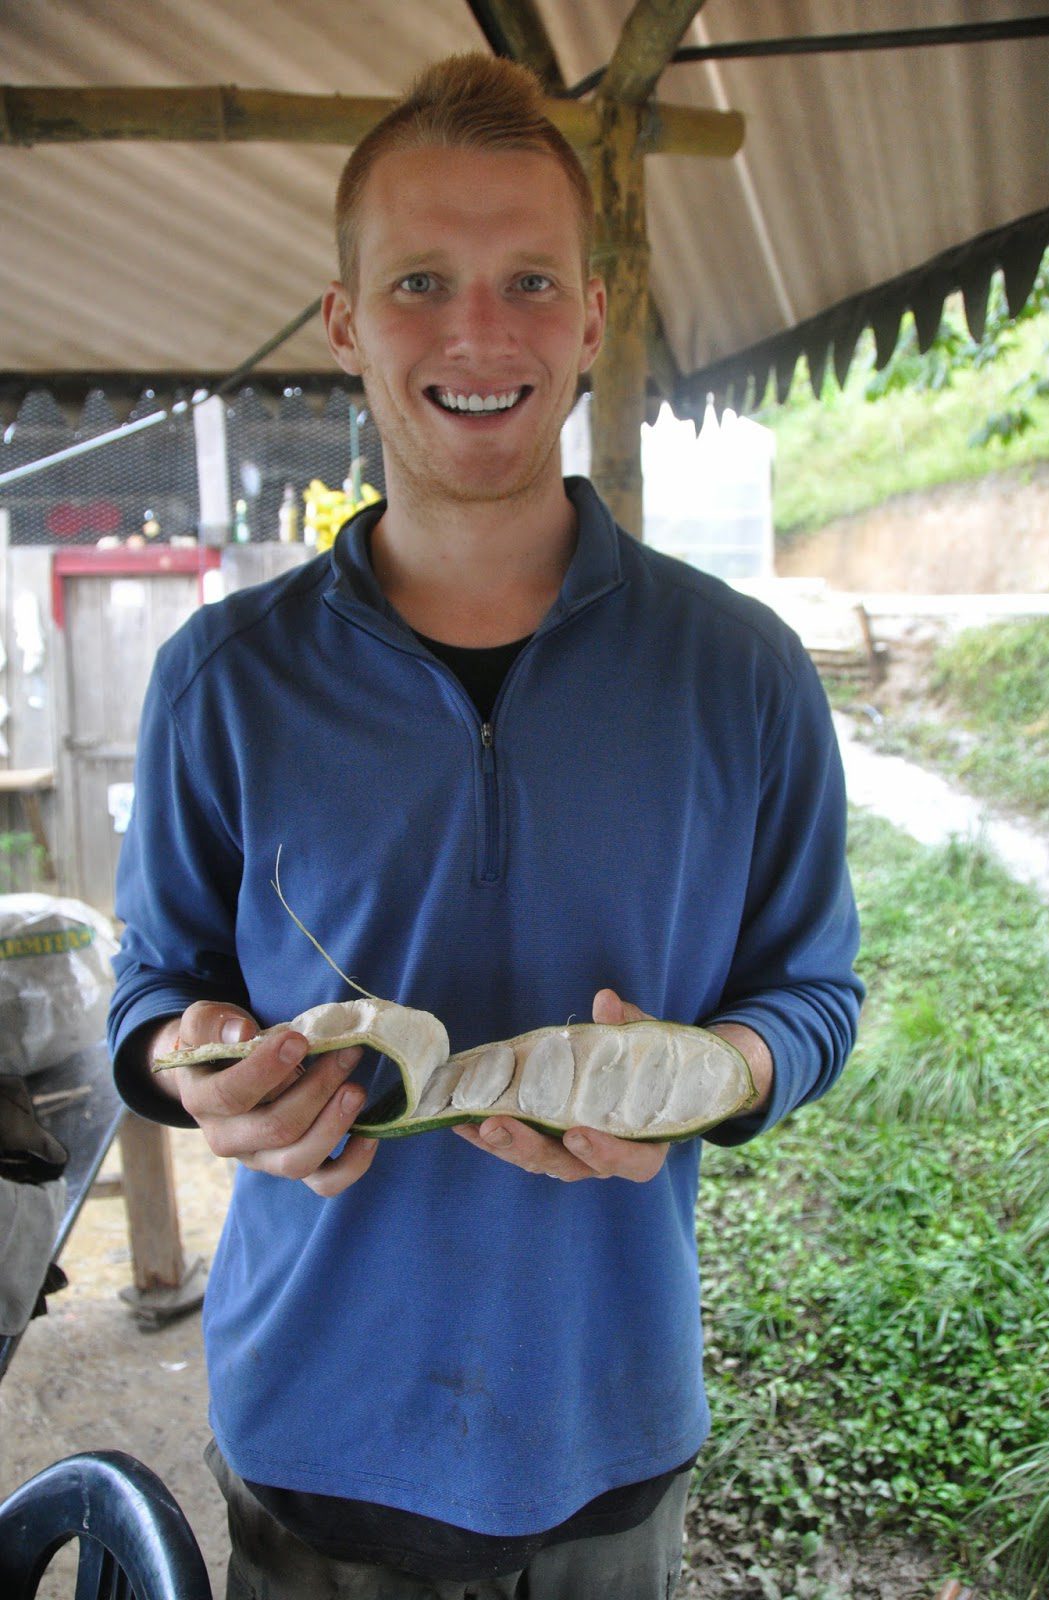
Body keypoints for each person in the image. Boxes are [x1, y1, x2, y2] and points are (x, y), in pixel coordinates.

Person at [108, 52, 863, 1600]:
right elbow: (149, 982)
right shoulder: (222, 680)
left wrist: (723, 1069)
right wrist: (192, 1075)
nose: (476, 331)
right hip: (316, 1435)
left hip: (609, 1419)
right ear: (345, 321)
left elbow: (816, 992)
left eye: (528, 279)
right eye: (419, 282)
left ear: (593, 316)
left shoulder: (740, 671)